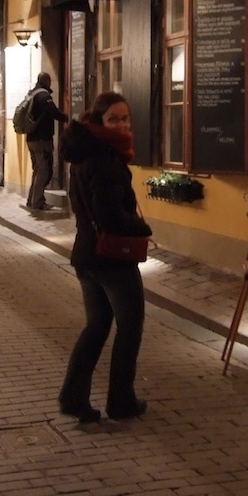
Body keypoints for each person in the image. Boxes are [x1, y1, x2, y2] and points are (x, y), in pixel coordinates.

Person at [57, 92, 153, 423]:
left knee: (96, 327)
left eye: (126, 118)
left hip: (87, 254)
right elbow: (110, 216)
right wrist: (141, 227)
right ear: (99, 121)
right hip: (112, 259)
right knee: (130, 327)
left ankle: (73, 397)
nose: (122, 124)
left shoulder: (84, 153)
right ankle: (121, 401)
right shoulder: (105, 159)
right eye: (114, 119)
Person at [23, 73, 70, 211]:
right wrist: (69, 118)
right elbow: (54, 113)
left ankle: (32, 200)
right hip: (42, 140)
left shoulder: (32, 94)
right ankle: (37, 202)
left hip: (32, 139)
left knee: (38, 170)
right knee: (44, 171)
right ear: (47, 81)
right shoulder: (44, 96)